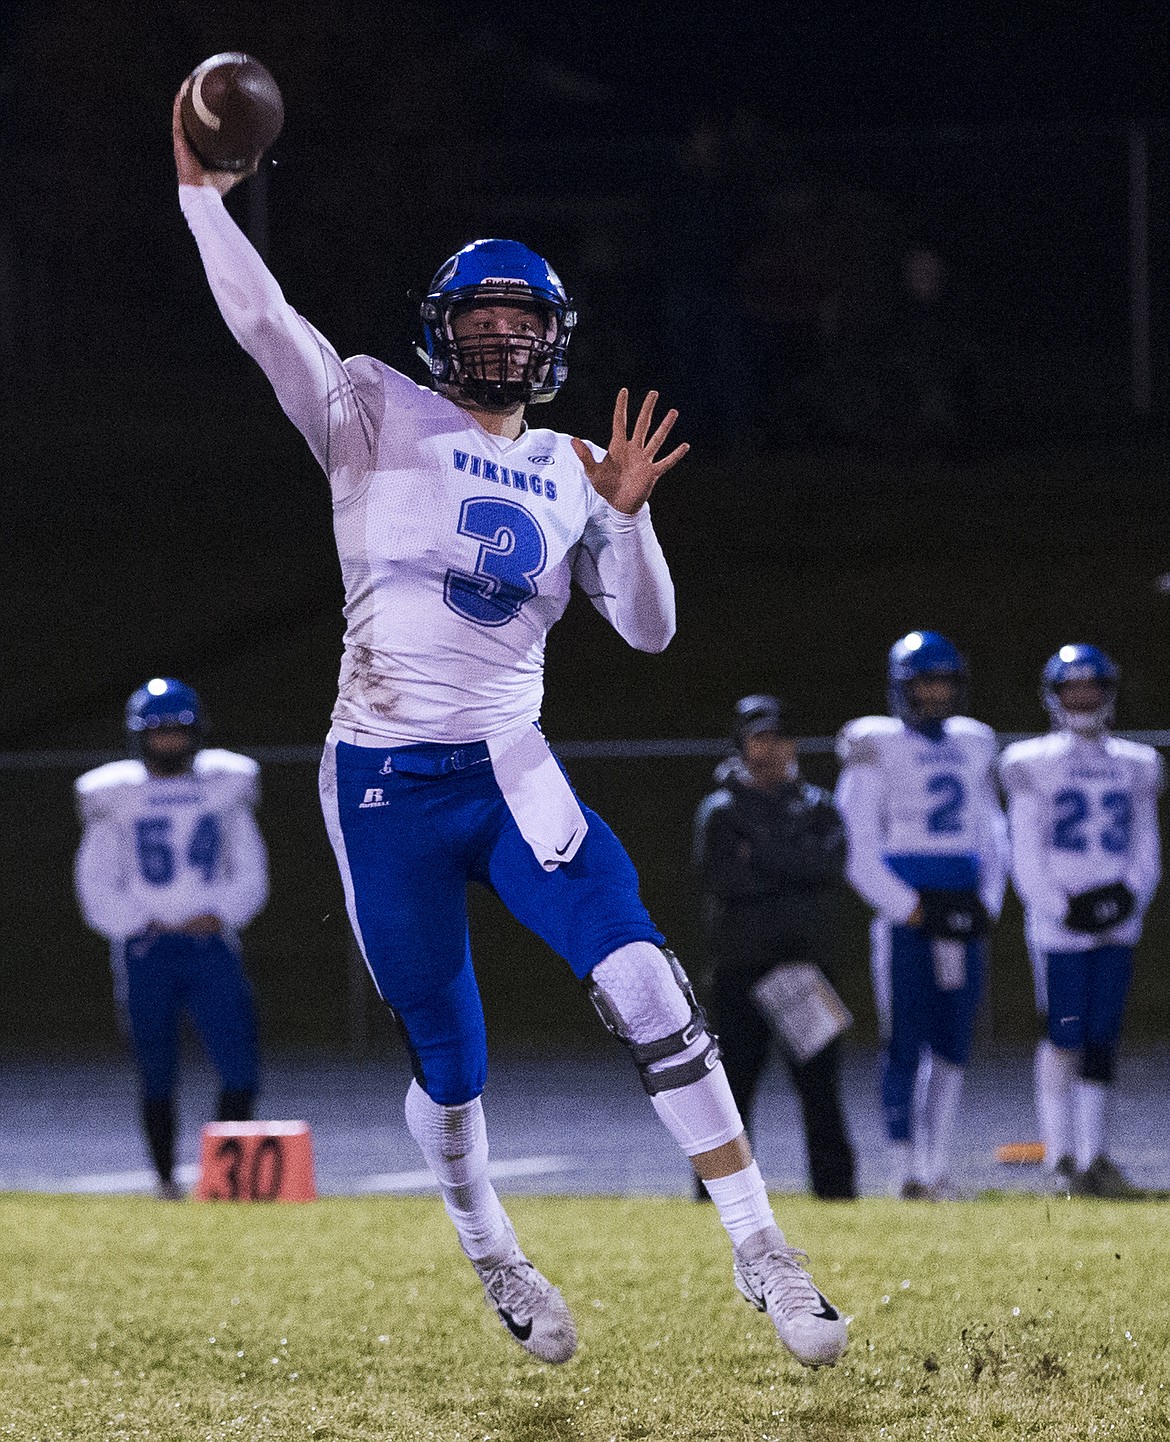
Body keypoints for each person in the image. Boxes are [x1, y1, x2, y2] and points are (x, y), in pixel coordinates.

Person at [172, 91, 846, 1369]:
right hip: (380, 781)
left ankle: (762, 1243)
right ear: (440, 333)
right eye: (477, 318)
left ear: (550, 338)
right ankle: (495, 1249)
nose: (496, 337)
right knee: (452, 1060)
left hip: (509, 765)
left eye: (517, 319)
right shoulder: (367, 407)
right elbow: (263, 318)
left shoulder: (573, 465)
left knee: (646, 977)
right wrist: (204, 192)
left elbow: (647, 631)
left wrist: (632, 516)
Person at [74, 678, 268, 1199]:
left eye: (177, 731)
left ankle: (234, 1183)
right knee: (156, 1070)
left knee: (239, 1065)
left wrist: (224, 911)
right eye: (157, 732)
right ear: (139, 737)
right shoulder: (115, 794)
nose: (168, 742)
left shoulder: (225, 785)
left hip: (211, 947)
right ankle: (165, 1181)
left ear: (196, 732)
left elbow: (249, 867)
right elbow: (96, 880)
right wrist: (138, 922)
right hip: (146, 949)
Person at [835, 632, 1007, 1199]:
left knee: (955, 1038)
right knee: (905, 1038)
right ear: (901, 687)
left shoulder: (975, 742)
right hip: (907, 913)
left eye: (942, 682)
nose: (934, 694)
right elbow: (857, 848)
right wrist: (909, 907)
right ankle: (905, 1166)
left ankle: (937, 1166)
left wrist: (987, 901)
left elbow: (992, 829)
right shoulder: (876, 745)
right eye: (923, 683)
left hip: (961, 906)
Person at [999, 645, 1162, 1197]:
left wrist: (1128, 896)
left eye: (1091, 688)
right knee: (1063, 1032)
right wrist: (1063, 906)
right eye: (1073, 689)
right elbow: (1023, 851)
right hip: (1059, 924)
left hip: (1117, 920)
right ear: (1055, 696)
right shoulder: (1029, 761)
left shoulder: (1137, 762)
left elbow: (1145, 844)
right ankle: (1060, 1157)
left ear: (1108, 692)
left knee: (1102, 1035)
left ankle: (1094, 1156)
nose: (1084, 698)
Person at [693, 694, 856, 1201]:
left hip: (804, 971)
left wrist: (761, 854)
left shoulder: (819, 806)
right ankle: (720, 1198)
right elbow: (723, 879)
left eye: (778, 737)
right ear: (741, 744)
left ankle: (836, 1195)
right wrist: (790, 863)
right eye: (759, 737)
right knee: (730, 1096)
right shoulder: (719, 810)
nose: (769, 748)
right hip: (740, 971)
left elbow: (828, 870)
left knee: (821, 1092)